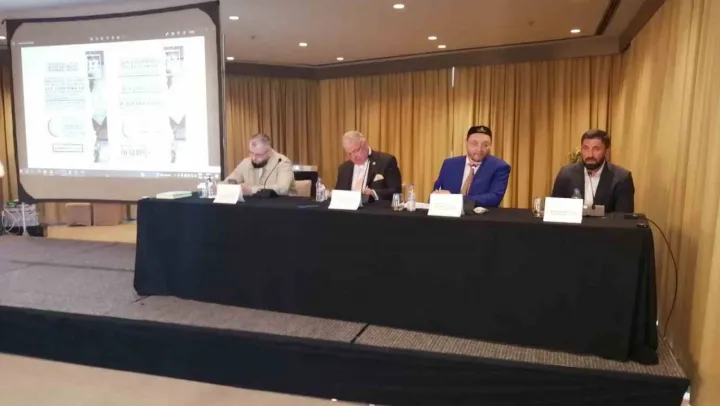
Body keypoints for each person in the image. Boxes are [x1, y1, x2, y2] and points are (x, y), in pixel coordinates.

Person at [551, 129, 634, 213]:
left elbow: (623, 217)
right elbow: (554, 211)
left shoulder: (622, 178)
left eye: (596, 149)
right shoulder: (566, 174)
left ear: (606, 151)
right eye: (585, 148)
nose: (590, 155)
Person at [432, 125, 511, 208]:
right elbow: (437, 191)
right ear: (466, 142)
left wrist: (455, 199)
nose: (479, 149)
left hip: (480, 215)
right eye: (474, 143)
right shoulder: (449, 164)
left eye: (485, 145)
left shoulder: (499, 167)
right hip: (448, 213)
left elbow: (494, 198)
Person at [334, 130, 402, 202]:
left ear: (364, 144)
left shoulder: (386, 161)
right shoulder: (344, 168)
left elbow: (396, 191)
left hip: (375, 208)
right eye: (350, 153)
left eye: (355, 151)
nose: (354, 156)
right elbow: (338, 194)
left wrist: (374, 193)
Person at [224, 133, 295, 196]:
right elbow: (229, 181)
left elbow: (282, 189)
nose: (253, 158)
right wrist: (231, 184)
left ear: (269, 152)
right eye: (251, 153)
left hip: (280, 205)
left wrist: (251, 190)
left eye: (258, 155)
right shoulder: (246, 162)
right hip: (252, 205)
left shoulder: (283, 163)